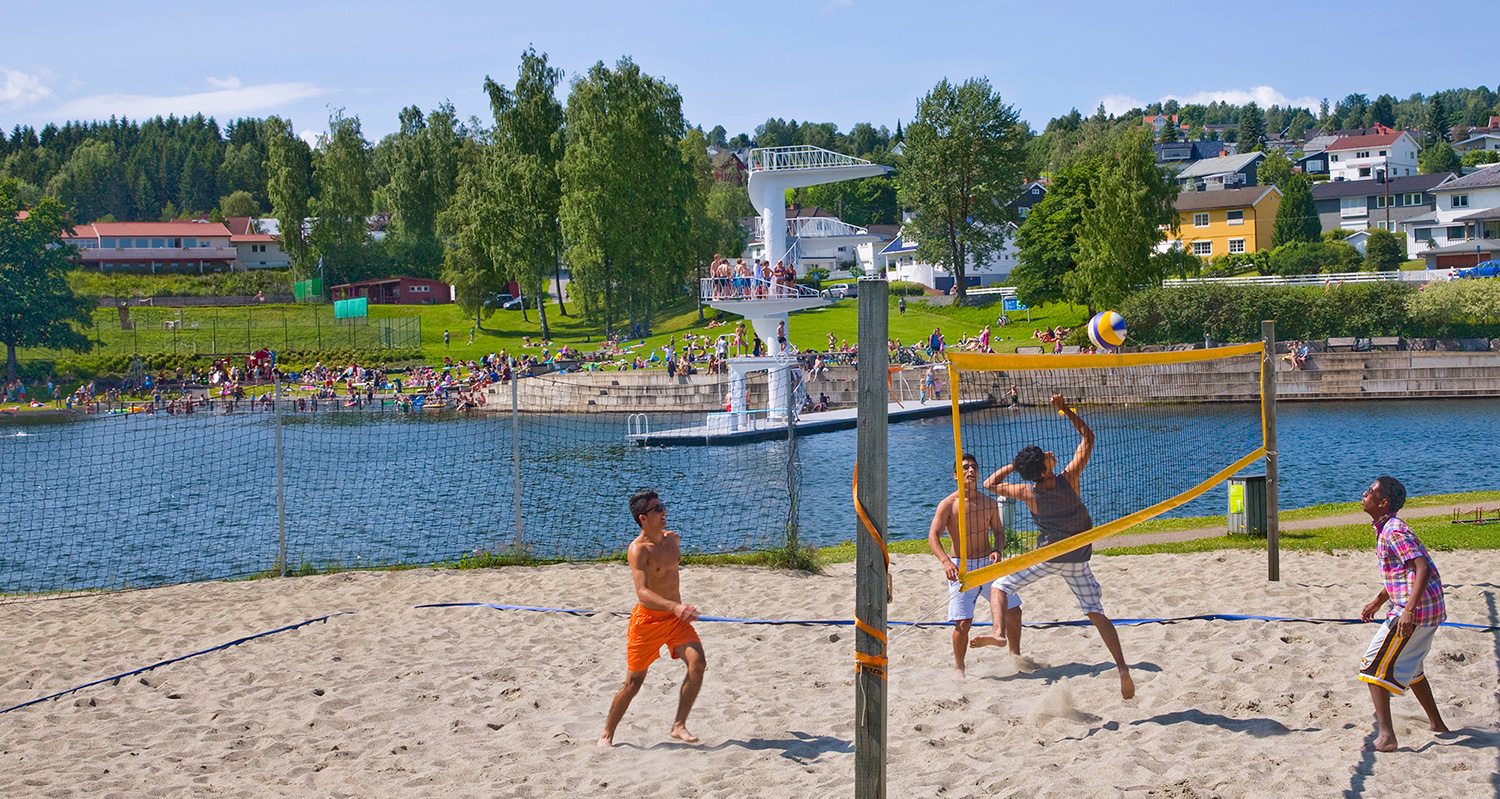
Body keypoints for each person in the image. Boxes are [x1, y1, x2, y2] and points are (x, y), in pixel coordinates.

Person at [972, 394, 1135, 699]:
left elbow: (988, 485)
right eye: (1046, 456)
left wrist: (1016, 465)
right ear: (1047, 469)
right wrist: (1065, 410)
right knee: (1096, 613)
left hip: (1047, 556)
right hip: (1076, 560)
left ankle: (998, 633)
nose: (1050, 453)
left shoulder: (1026, 491)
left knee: (999, 586)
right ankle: (1123, 667)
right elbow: (1089, 437)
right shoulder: (1068, 478)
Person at [600, 490, 706, 747]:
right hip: (647, 622)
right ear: (643, 518)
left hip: (675, 621)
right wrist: (674, 606)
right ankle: (607, 733)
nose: (663, 511)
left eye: (663, 506)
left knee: (698, 662)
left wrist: (677, 609)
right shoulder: (637, 550)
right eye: (657, 508)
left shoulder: (673, 539)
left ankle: (679, 725)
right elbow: (643, 594)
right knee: (633, 684)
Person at [1357, 475, 1449, 752]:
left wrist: (1407, 610)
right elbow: (1400, 573)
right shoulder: (1386, 528)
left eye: (1370, 491)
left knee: (1372, 668)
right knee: (1412, 667)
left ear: (1383, 503)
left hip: (1416, 610)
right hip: (1427, 608)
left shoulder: (1394, 530)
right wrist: (1377, 601)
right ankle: (1437, 724)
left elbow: (1422, 568)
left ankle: (1386, 737)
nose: (1364, 493)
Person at [928, 453, 1015, 679]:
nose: (970, 471)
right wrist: (946, 561)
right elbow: (933, 537)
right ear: (956, 475)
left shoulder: (988, 502)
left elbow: (998, 532)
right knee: (963, 622)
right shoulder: (948, 504)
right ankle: (959, 668)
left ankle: (1015, 656)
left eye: (974, 467)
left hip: (988, 563)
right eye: (965, 468)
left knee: (1014, 610)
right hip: (961, 567)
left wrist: (998, 550)